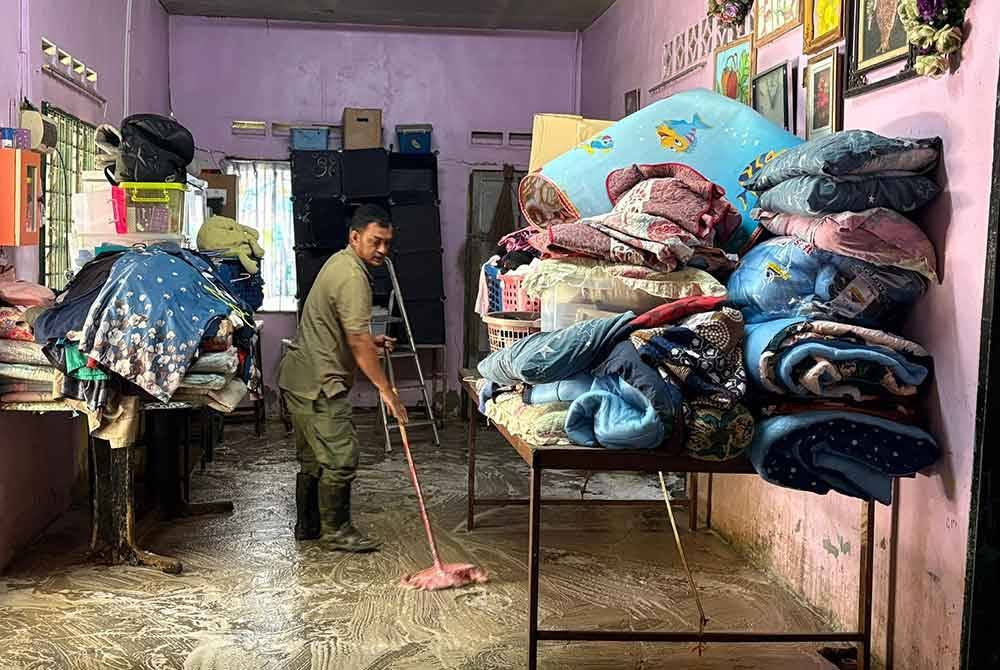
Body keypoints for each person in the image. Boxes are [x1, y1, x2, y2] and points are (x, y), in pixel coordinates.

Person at [278, 204, 408, 552]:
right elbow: (356, 339)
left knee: (313, 459)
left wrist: (371, 340)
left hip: (299, 377)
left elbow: (340, 328)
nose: (382, 250)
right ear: (355, 237)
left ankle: (308, 526)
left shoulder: (340, 262)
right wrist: (387, 391)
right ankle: (336, 531)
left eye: (387, 243)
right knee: (341, 457)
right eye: (375, 241)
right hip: (319, 383)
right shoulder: (353, 276)